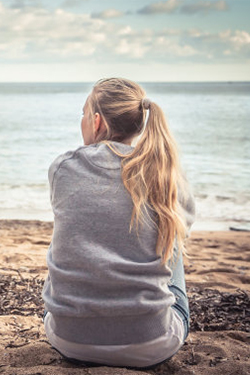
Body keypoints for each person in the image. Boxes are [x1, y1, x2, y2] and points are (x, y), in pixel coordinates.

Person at [42, 78, 195, 368]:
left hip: (69, 339)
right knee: (169, 237)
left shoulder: (63, 167)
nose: (83, 121)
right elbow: (182, 231)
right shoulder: (166, 173)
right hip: (153, 345)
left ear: (97, 122)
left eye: (84, 114)